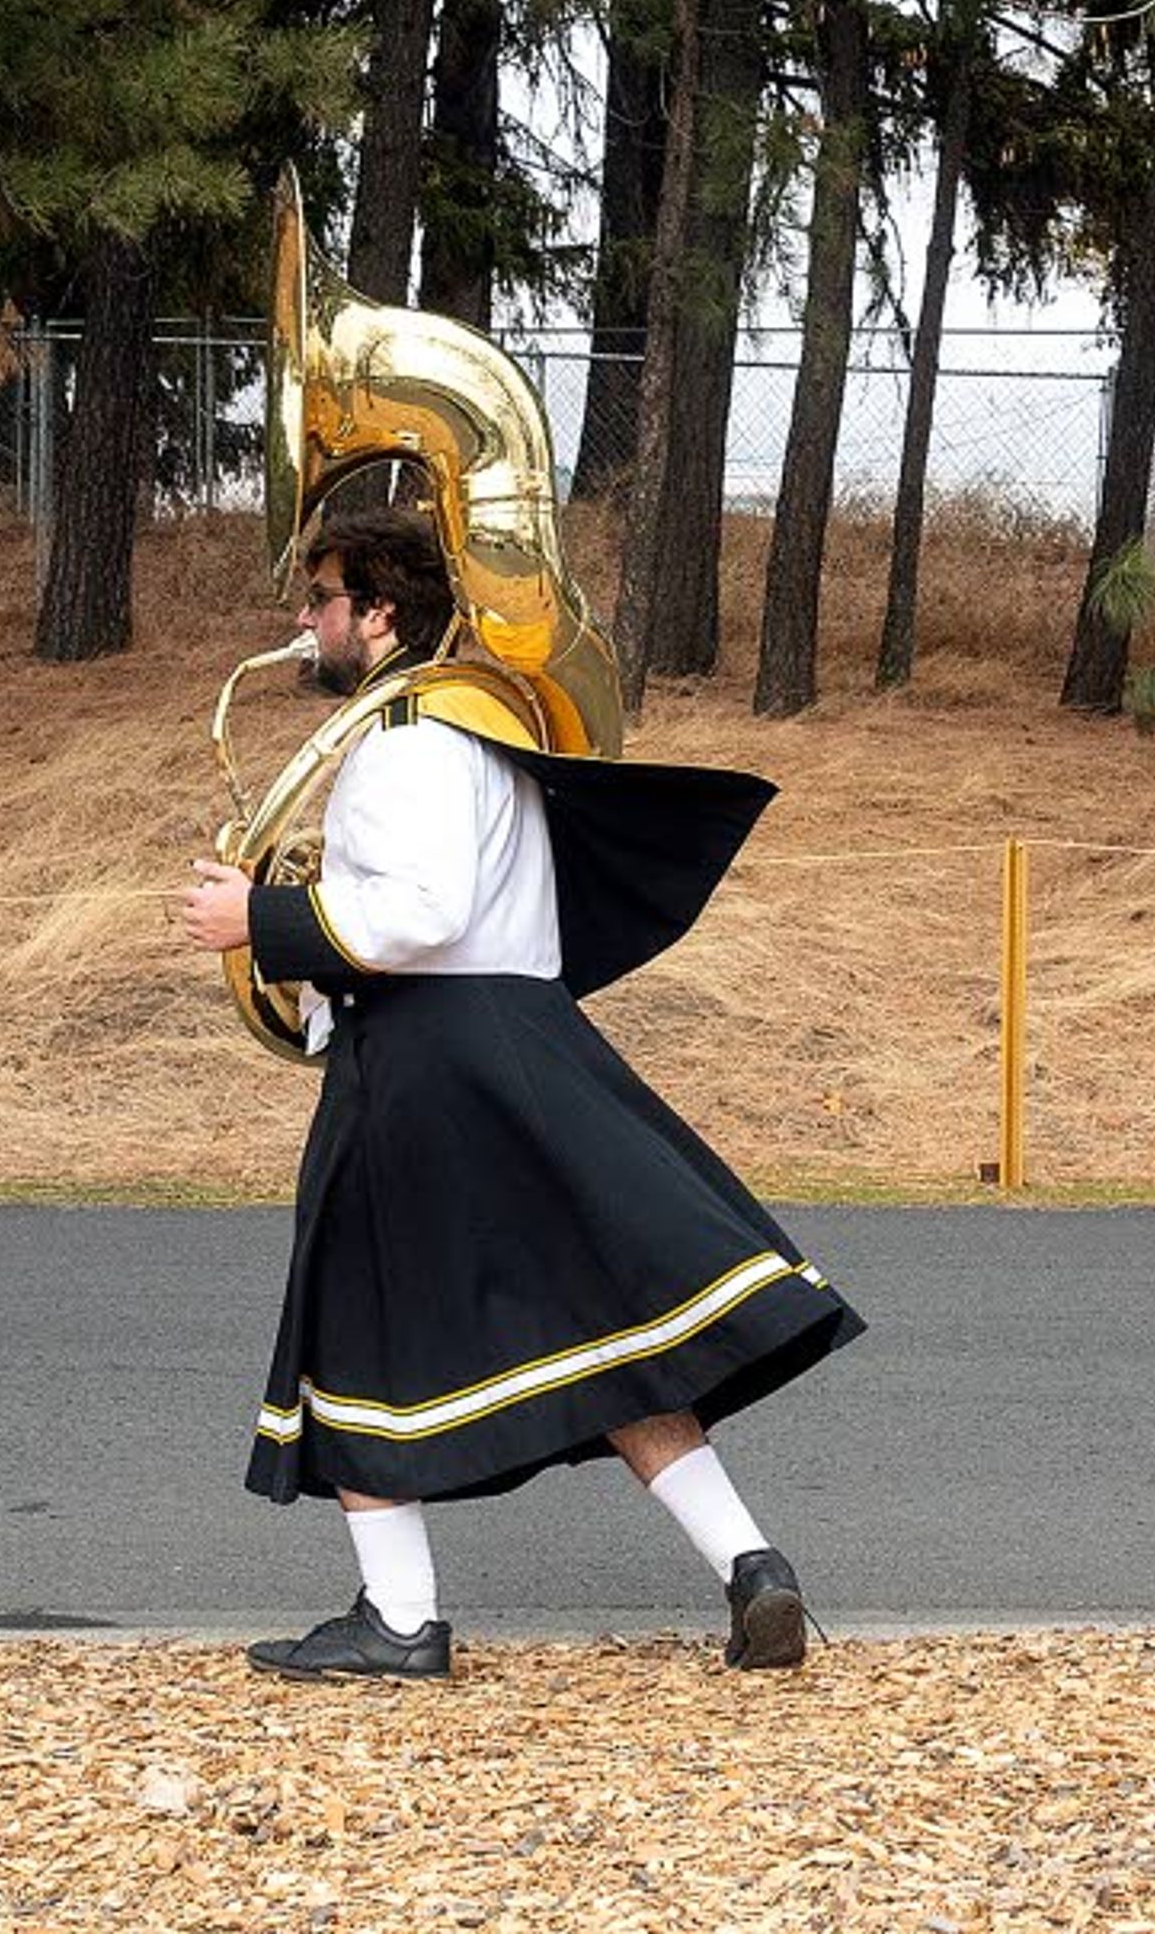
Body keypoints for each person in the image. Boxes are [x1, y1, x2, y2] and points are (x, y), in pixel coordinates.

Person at [174, 499, 862, 1681]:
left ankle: (399, 1620)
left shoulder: (405, 746)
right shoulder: (486, 745)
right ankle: (753, 1567)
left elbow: (423, 917)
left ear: (380, 616)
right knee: (609, 1335)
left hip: (429, 1064)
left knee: (346, 1326)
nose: (305, 620)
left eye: (323, 600)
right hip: (523, 1047)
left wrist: (262, 918)